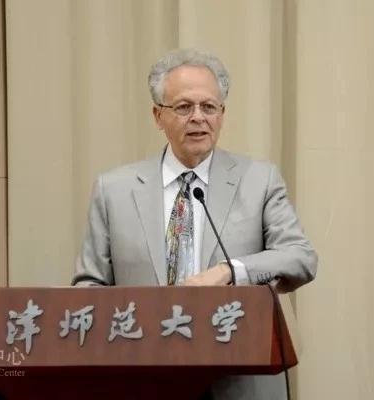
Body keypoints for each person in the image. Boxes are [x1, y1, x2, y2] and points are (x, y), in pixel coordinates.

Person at [72, 48, 318, 400]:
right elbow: (89, 288)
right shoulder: (114, 190)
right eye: (184, 107)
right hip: (143, 381)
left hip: (239, 381)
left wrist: (229, 272)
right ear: (158, 116)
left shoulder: (259, 180)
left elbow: (300, 257)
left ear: (222, 114)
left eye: (209, 107)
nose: (198, 118)